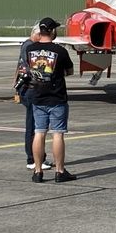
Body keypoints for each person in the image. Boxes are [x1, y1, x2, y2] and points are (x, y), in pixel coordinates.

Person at [27, 17, 77, 183]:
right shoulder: (60, 51)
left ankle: (38, 171)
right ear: (52, 31)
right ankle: (59, 171)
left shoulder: (30, 49)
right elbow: (70, 71)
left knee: (39, 132)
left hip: (38, 97)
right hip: (57, 97)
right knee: (58, 134)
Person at [16, 23, 51, 171]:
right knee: (33, 126)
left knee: (36, 126)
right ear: (37, 34)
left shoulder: (27, 44)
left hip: (27, 89)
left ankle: (38, 157)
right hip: (30, 90)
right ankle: (32, 159)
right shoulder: (30, 47)